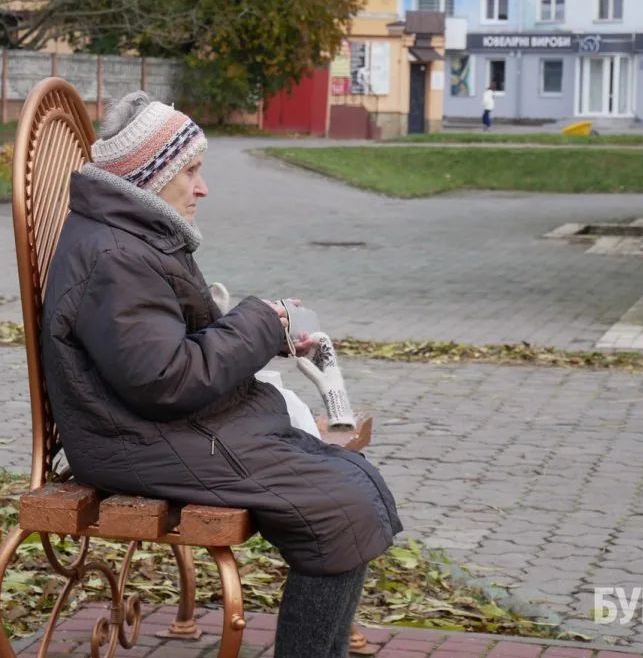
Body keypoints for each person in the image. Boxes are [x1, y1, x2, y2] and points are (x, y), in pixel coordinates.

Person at [41, 91, 402, 658]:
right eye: (191, 170)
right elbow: (165, 379)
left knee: (349, 489)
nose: (202, 187)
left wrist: (268, 328)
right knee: (340, 504)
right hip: (138, 439)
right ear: (149, 176)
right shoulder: (117, 255)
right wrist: (259, 324)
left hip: (152, 429)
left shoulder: (129, 236)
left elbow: (162, 357)